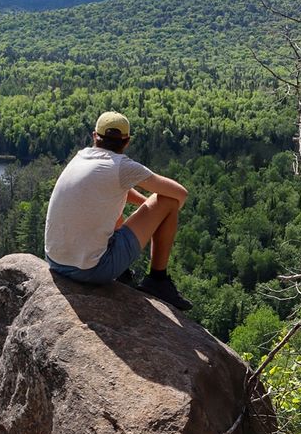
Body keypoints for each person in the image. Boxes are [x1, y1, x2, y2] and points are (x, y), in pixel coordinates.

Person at [45, 111, 191, 310]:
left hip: (55, 261)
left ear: (94, 136)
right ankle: (158, 280)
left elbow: (113, 187)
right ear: (127, 141)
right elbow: (180, 194)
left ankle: (123, 273)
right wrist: (156, 215)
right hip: (91, 271)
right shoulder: (123, 167)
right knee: (168, 201)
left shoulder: (81, 157)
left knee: (109, 199)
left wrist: (145, 208)